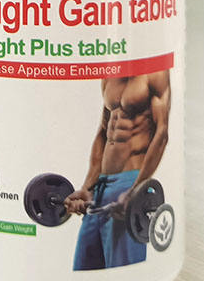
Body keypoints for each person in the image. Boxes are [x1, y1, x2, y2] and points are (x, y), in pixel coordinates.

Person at [66, 70, 171, 270]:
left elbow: (162, 133)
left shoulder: (154, 72)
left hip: (130, 183)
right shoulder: (109, 74)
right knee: (84, 267)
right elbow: (104, 131)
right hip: (101, 187)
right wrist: (88, 187)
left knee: (124, 271)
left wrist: (135, 191)